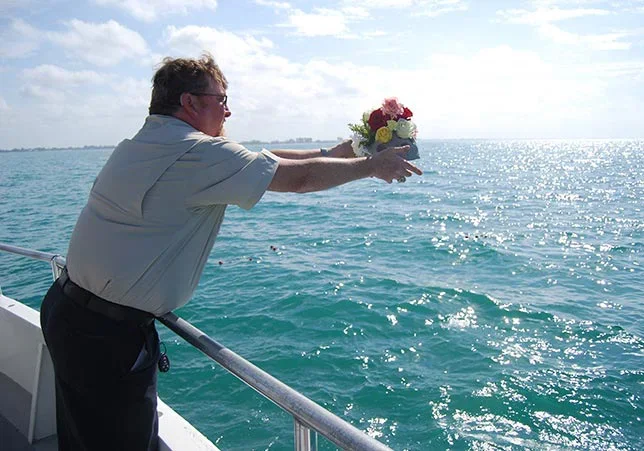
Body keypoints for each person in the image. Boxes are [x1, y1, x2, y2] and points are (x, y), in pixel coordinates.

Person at [40, 52, 422, 450]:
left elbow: (262, 161)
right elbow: (299, 178)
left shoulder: (147, 144)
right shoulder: (194, 153)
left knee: (83, 439)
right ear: (189, 102)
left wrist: (340, 153)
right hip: (108, 339)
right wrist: (370, 167)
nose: (228, 110)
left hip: (69, 314)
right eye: (221, 99)